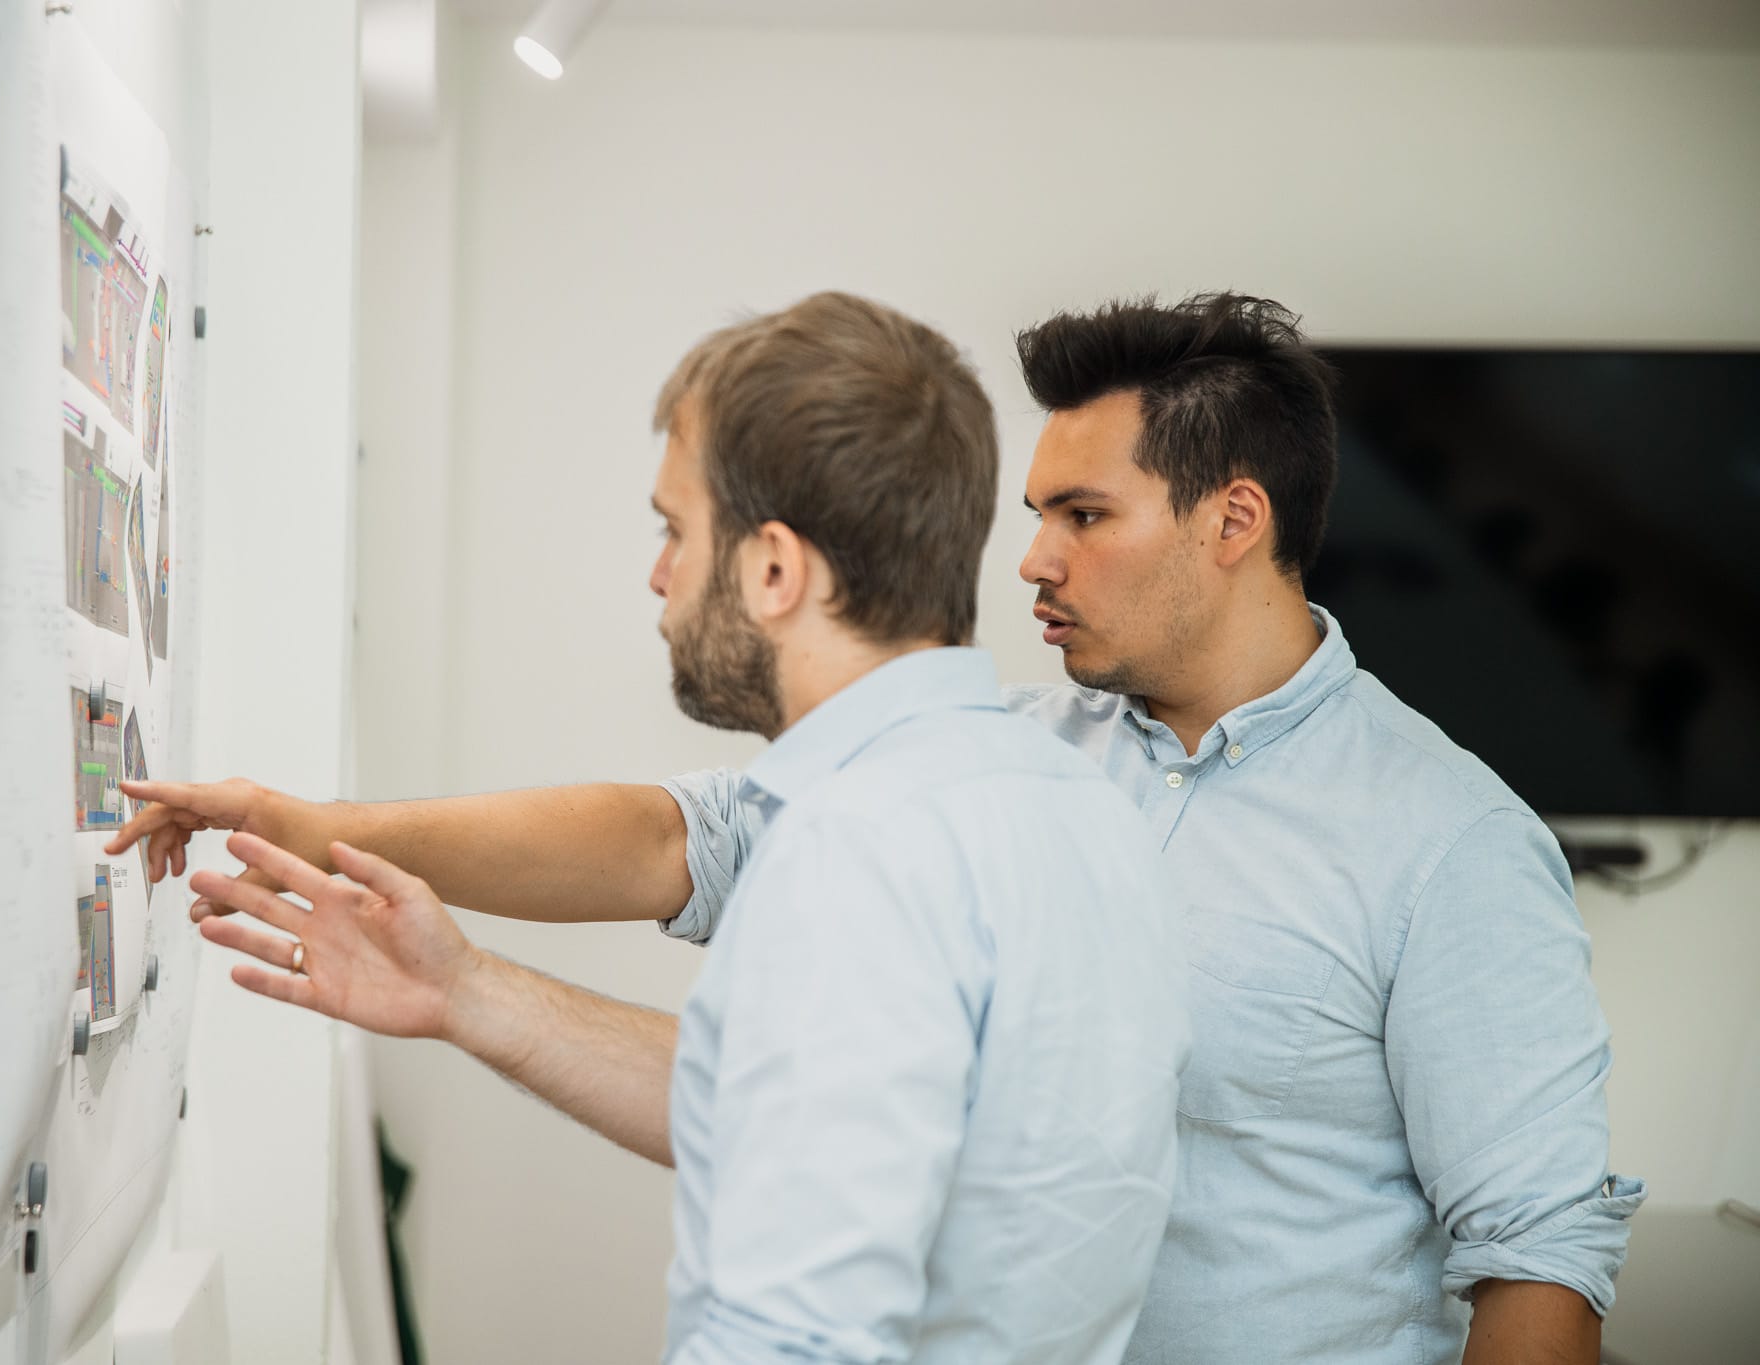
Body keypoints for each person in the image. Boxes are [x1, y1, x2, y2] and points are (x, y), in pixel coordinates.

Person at [116, 292, 1642, 1364]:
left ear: (1231, 522)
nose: (1031, 560)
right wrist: (354, 864)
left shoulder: (1441, 840)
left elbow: (1537, 1262)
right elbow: (685, 853)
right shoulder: (1039, 770)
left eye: (1084, 517)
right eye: (1030, 511)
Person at [122, 292, 1189, 1364]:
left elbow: (795, 1339)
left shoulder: (859, 848)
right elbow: (821, 1126)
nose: (658, 576)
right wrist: (461, 989)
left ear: (774, 570)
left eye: (676, 530)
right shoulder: (1077, 812)